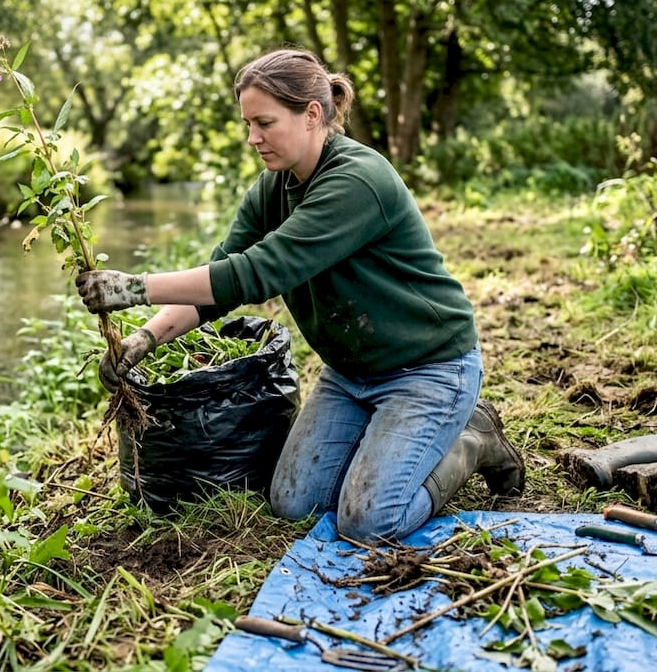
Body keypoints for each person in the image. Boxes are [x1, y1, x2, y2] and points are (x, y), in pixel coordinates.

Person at [74, 48, 524, 543]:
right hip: (351, 374)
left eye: (264, 122)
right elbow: (217, 283)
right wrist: (143, 339)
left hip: (429, 368)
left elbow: (257, 274)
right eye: (248, 124)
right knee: (293, 504)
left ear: (312, 114)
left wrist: (134, 288)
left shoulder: (356, 180)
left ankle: (471, 443)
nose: (252, 138)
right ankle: (387, 444)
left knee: (370, 522)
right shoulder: (272, 190)